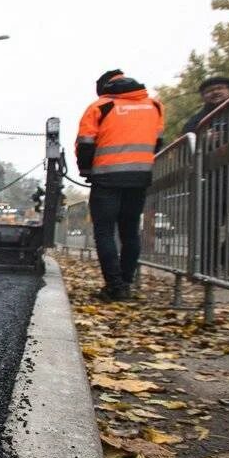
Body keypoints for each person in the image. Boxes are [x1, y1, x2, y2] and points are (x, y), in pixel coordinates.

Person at [76, 69, 165, 302]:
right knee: (130, 231)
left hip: (106, 178)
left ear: (105, 86)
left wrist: (86, 172)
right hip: (138, 178)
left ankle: (115, 287)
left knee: (104, 231)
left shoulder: (101, 106)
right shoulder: (154, 106)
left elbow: (85, 144)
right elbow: (158, 142)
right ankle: (126, 283)